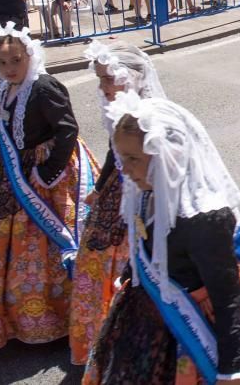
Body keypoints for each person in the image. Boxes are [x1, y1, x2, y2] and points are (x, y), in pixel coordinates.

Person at [84, 93, 240, 384]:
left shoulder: (205, 220)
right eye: (121, 158)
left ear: (168, 156)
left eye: (133, 159)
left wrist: (234, 367)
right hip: (150, 314)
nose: (124, 169)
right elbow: (145, 245)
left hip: (199, 325)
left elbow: (226, 297)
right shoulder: (147, 194)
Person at [0, 22, 100, 350]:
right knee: (8, 246)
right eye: (2, 62)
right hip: (14, 170)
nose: (9, 68)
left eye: (15, 60)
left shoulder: (43, 87)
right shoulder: (1, 87)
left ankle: (60, 314)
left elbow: (67, 129)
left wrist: (48, 172)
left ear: (29, 55)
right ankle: (20, 317)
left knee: (51, 242)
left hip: (49, 172)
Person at [69, 42, 166, 366]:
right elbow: (115, 151)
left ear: (132, 77)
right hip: (119, 190)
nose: (103, 87)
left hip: (145, 197)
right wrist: (99, 188)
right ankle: (99, 337)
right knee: (94, 260)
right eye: (100, 80)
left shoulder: (151, 117)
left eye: (110, 79)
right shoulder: (119, 109)